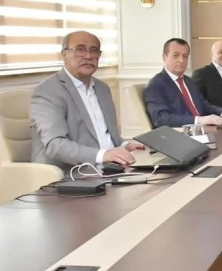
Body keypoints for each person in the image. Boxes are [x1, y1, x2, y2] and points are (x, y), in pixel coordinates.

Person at [30, 31, 143, 169]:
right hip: (71, 174)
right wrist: (103, 155)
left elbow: (104, 135)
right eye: (80, 49)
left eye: (94, 50)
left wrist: (125, 145)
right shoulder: (49, 91)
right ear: (64, 54)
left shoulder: (102, 88)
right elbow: (55, 145)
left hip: (110, 168)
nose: (88, 56)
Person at [144, 38, 222, 128]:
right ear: (164, 57)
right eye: (175, 55)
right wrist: (199, 120)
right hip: (180, 134)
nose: (181, 60)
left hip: (203, 130)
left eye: (185, 56)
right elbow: (161, 119)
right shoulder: (156, 85)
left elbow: (203, 105)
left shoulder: (189, 81)